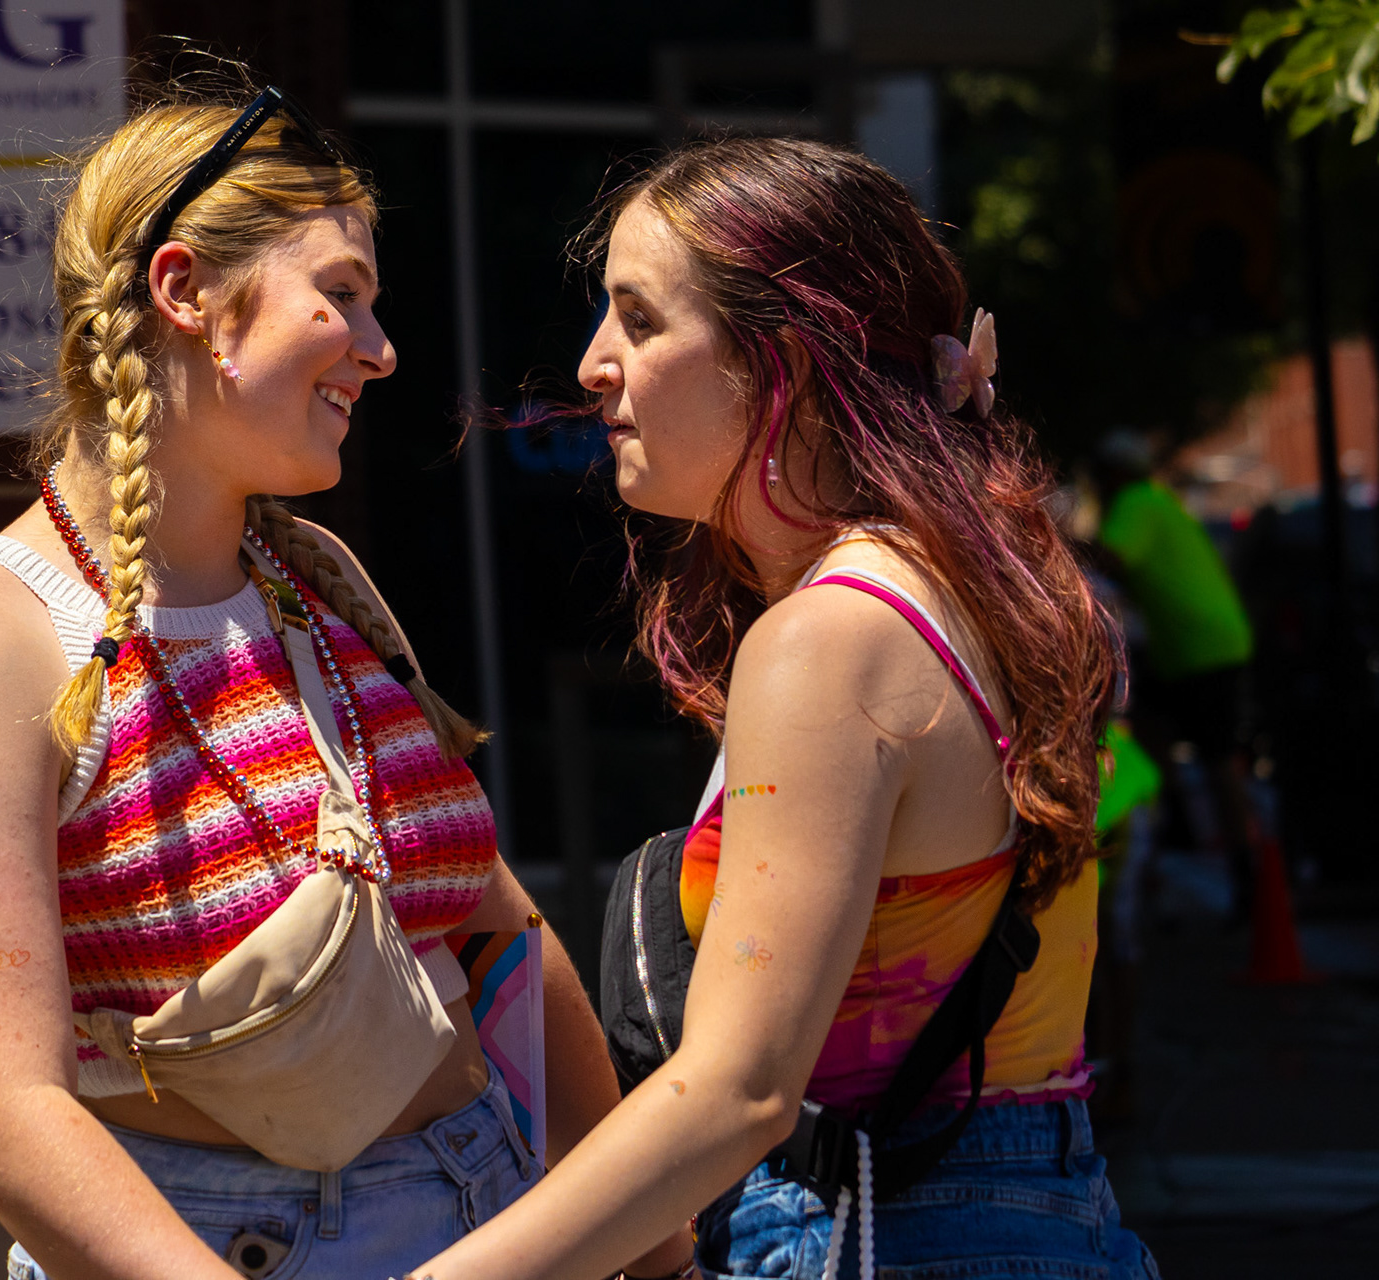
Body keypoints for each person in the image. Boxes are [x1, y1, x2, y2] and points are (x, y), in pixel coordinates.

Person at [0, 87, 673, 1280]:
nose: (380, 346)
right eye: (341, 293)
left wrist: (657, 1252)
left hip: (494, 1208)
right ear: (185, 289)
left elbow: (493, 924)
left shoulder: (313, 578)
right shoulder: (0, 640)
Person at [411, 138, 1157, 1280]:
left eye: (641, 319)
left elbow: (739, 1090)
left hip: (890, 1228)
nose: (594, 363)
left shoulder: (831, 638)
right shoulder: (954, 583)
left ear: (786, 364)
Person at [1090, 430, 1258, 921]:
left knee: (1217, 761)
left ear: (1118, 474)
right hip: (1194, 647)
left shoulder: (1136, 501)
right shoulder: (1158, 499)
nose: (1098, 485)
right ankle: (1158, 851)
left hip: (1199, 650)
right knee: (1153, 745)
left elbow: (1111, 558)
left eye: (1101, 475)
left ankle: (1246, 875)